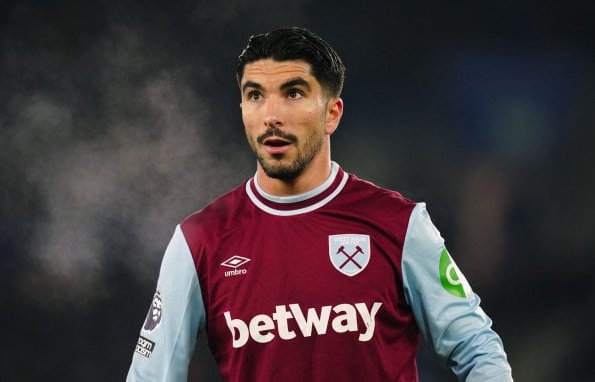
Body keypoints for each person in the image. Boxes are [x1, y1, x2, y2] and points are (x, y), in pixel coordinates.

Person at [126, 27, 513, 381]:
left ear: (332, 114)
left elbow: (478, 349)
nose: (271, 116)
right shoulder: (200, 242)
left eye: (293, 93)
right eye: (255, 95)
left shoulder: (399, 225)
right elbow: (150, 375)